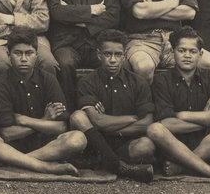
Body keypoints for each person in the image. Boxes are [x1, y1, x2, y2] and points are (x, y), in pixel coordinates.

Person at [0, 27, 86, 175]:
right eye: (17, 53)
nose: (23, 59)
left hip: (47, 146)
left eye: (29, 53)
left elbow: (60, 127)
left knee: (78, 138)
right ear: (8, 55)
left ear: (36, 55)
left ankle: (18, 162)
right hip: (12, 146)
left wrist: (24, 120)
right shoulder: (2, 83)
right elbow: (8, 133)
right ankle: (45, 166)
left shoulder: (48, 79)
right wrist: (44, 120)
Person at [139, 27, 210, 181]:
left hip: (207, 144)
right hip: (174, 145)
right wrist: (204, 119)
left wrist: (181, 115)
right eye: (182, 50)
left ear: (200, 54)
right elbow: (166, 124)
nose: (187, 55)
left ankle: (183, 166)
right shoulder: (161, 81)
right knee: (155, 129)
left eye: (192, 51)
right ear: (172, 52)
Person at [67, 29, 156, 182]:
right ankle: (119, 167)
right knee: (78, 116)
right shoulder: (87, 82)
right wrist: (132, 118)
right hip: (94, 143)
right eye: (107, 54)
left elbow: (147, 122)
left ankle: (105, 162)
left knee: (146, 145)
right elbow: (97, 121)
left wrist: (110, 127)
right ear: (99, 55)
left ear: (124, 56)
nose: (113, 60)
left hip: (123, 142)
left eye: (118, 54)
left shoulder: (138, 82)